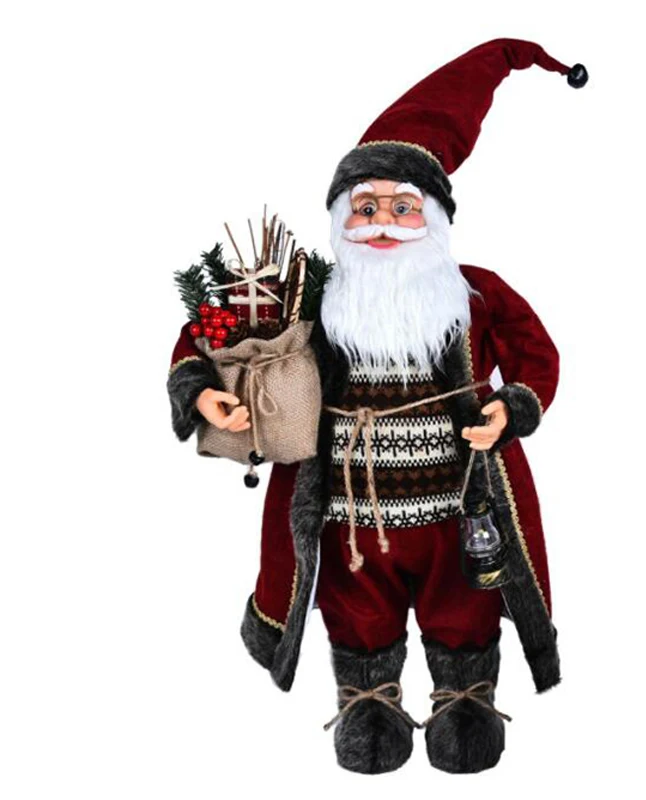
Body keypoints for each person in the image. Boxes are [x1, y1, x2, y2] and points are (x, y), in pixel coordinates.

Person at [167, 37, 587, 774]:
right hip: (349, 516)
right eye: (365, 208)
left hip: (460, 506)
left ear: (435, 219)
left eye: (402, 207)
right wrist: (206, 392)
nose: (383, 222)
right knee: (356, 609)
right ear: (340, 221)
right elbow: (211, 330)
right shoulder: (313, 296)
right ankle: (368, 701)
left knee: (467, 603)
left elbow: (535, 353)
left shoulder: (474, 294)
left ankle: (466, 697)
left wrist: (510, 409)